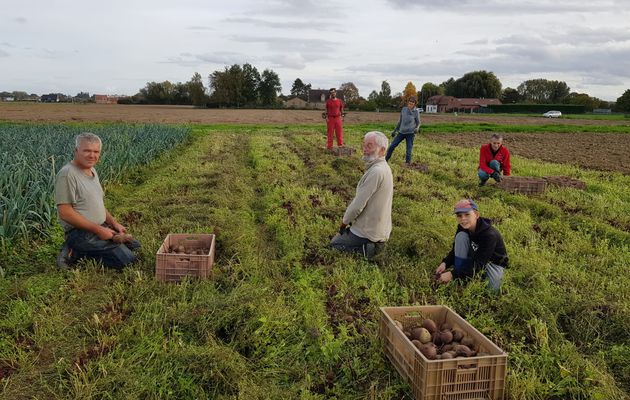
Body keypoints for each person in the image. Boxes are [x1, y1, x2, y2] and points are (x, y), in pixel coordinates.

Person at [54, 132, 140, 269]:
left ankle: (86, 249)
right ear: (76, 151)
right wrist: (98, 229)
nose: (92, 155)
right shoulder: (67, 174)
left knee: (135, 246)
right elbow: (65, 212)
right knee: (128, 261)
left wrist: (114, 223)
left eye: (96, 151)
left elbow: (97, 204)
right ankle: (73, 252)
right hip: (80, 233)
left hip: (99, 228)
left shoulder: (92, 170)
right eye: (87, 151)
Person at [331, 131, 393, 260]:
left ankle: (366, 249)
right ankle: (375, 245)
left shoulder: (376, 172)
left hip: (368, 230)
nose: (365, 149)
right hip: (381, 229)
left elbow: (357, 206)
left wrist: (344, 222)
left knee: (335, 244)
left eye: (370, 146)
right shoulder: (384, 168)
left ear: (382, 151)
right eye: (364, 145)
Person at [434, 199, 508, 293]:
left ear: (476, 215)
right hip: (475, 254)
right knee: (461, 237)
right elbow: (455, 249)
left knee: (492, 291)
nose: (463, 219)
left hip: (492, 262)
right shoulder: (462, 227)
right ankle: (461, 277)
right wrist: (445, 263)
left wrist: (452, 275)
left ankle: (462, 274)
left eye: (467, 214)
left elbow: (479, 263)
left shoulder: (489, 235)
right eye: (459, 216)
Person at [385, 96, 421, 164]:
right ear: (408, 102)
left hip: (410, 133)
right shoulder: (404, 109)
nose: (410, 104)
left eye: (412, 103)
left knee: (408, 150)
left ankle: (407, 164)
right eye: (409, 103)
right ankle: (386, 160)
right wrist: (395, 130)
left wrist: (417, 128)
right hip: (401, 132)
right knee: (392, 146)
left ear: (414, 104)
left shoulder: (416, 112)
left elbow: (418, 123)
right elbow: (400, 121)